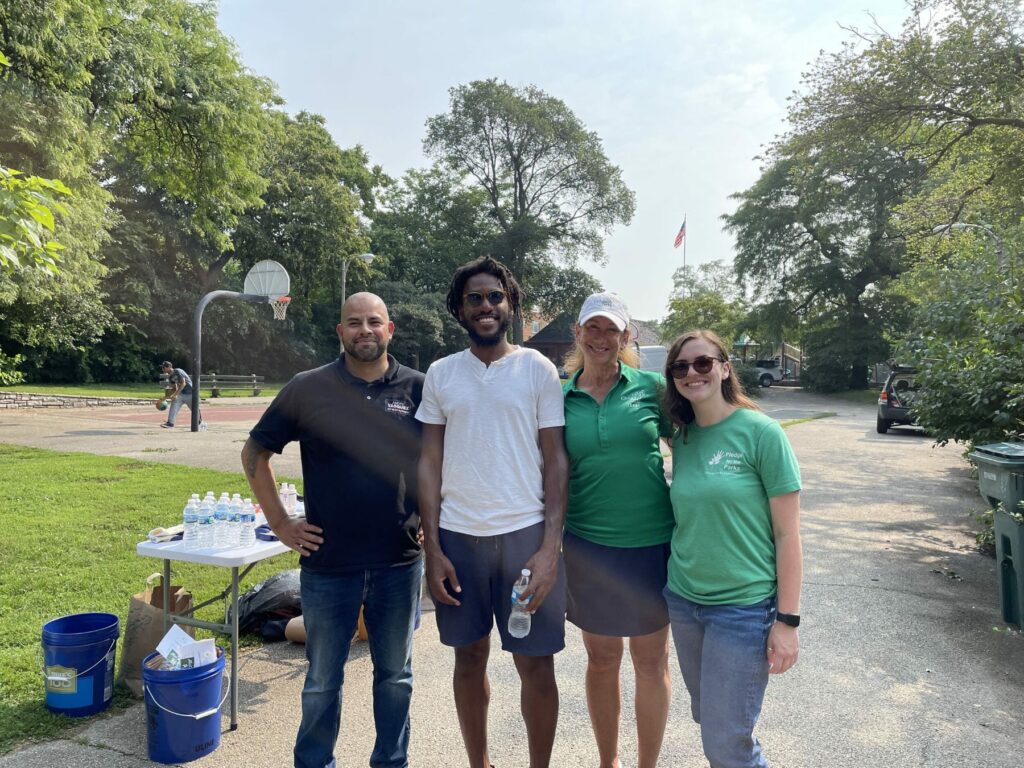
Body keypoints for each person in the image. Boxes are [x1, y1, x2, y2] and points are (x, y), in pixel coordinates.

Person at [241, 292, 424, 768]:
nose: (365, 330)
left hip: (398, 562)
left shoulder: (419, 388)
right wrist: (280, 522)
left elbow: (441, 464)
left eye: (374, 322)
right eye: (354, 322)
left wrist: (433, 520)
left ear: (390, 330)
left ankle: (391, 761)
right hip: (328, 565)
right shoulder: (308, 387)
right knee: (323, 678)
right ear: (339, 331)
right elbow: (254, 453)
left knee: (396, 677)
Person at [416, 256, 569, 768]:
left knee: (535, 664)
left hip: (525, 539)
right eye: (475, 299)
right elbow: (429, 462)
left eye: (495, 297)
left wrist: (551, 548)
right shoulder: (442, 373)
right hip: (459, 540)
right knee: (468, 658)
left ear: (511, 304)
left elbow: (555, 460)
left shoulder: (537, 369)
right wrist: (432, 547)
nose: (486, 306)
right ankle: (479, 763)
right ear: (460, 310)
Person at [661, 330, 803, 768]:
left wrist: (787, 621)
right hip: (685, 603)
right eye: (680, 367)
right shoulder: (683, 439)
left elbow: (788, 536)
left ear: (725, 368)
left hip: (741, 609)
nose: (692, 373)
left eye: (703, 363)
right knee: (713, 723)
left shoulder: (761, 433)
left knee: (728, 741)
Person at [561, 292, 674, 768]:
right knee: (602, 661)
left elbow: (696, 442)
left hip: (651, 545)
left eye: (612, 330)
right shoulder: (559, 395)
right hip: (588, 547)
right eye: (593, 328)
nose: (602, 338)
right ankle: (608, 762)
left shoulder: (652, 388)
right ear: (579, 333)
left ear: (627, 337)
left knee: (650, 665)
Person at [159, 360, 201, 428]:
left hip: (190, 393)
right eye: (162, 367)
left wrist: (175, 395)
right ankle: (170, 423)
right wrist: (164, 398)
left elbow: (183, 383)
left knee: (194, 409)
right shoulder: (170, 377)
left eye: (164, 367)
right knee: (174, 403)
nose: (163, 369)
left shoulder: (178, 371)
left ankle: (199, 422)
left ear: (169, 367)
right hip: (181, 394)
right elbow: (174, 389)